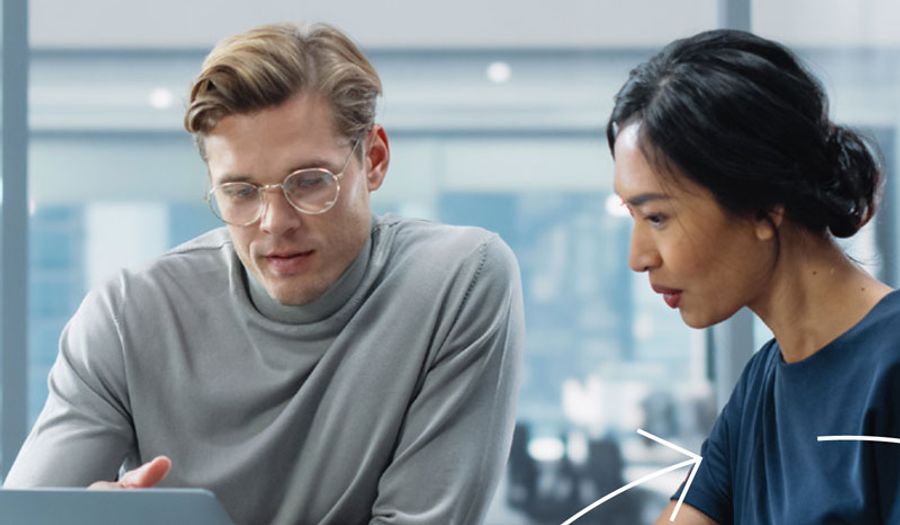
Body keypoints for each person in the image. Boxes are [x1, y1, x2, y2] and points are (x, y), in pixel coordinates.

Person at [4, 23, 525, 525]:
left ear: (374, 159)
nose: (275, 224)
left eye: (310, 181)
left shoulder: (459, 280)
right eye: (240, 191)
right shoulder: (127, 316)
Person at [607, 29, 900, 524]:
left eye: (656, 217)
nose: (639, 258)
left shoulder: (889, 368)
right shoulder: (763, 386)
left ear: (764, 204)